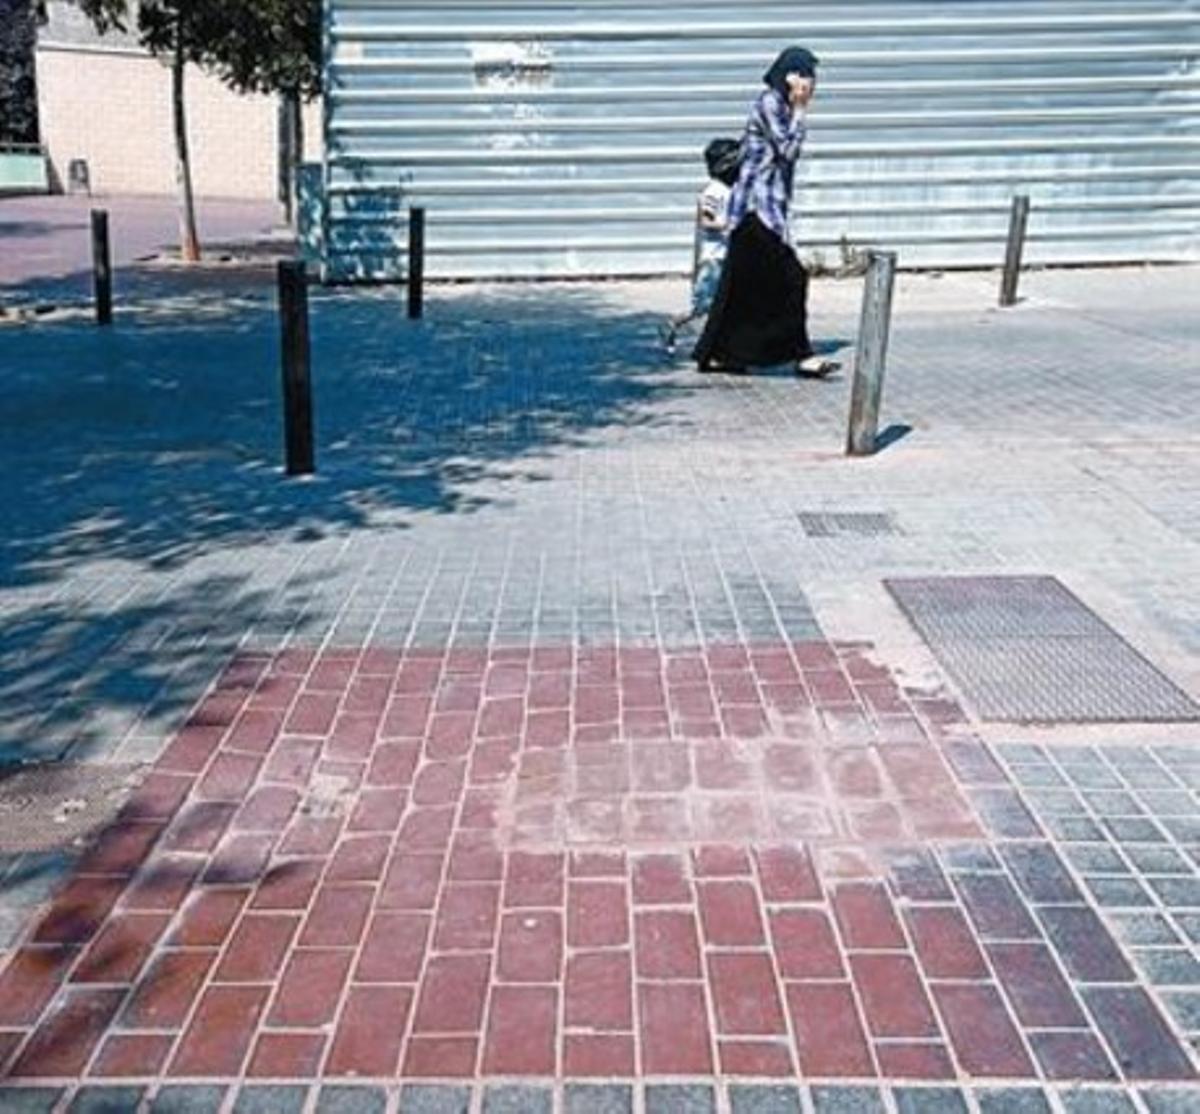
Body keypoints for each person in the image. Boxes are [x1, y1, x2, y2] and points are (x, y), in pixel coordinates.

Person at [693, 46, 838, 376]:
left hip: (765, 210)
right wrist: (801, 110)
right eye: (807, 77)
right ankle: (801, 355)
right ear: (791, 77)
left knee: (744, 290)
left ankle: (721, 354)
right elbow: (788, 151)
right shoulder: (770, 103)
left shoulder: (782, 105)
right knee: (792, 278)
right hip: (754, 210)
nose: (812, 85)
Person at [662, 138, 741, 355]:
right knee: (704, 305)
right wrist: (728, 226)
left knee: (727, 303)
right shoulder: (713, 192)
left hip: (726, 256)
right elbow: (706, 220)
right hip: (713, 259)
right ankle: (674, 324)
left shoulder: (730, 190)